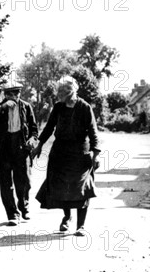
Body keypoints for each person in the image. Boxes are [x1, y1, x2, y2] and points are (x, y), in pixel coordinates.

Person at [31, 76, 100, 237]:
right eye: (59, 91)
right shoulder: (58, 107)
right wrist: (39, 144)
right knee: (61, 187)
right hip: (60, 153)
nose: (59, 94)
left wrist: (96, 155)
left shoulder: (84, 107)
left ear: (72, 90)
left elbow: (93, 132)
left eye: (63, 91)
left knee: (82, 189)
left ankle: (80, 226)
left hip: (79, 154)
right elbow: (49, 128)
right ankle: (67, 216)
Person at [0, 79, 38, 226]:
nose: (15, 96)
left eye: (17, 92)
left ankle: (24, 208)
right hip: (3, 149)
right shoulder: (0, 107)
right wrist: (4, 105)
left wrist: (33, 139)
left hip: (21, 147)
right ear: (5, 94)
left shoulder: (26, 107)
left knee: (24, 181)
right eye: (11, 93)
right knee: (6, 183)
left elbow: (34, 128)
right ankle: (12, 214)